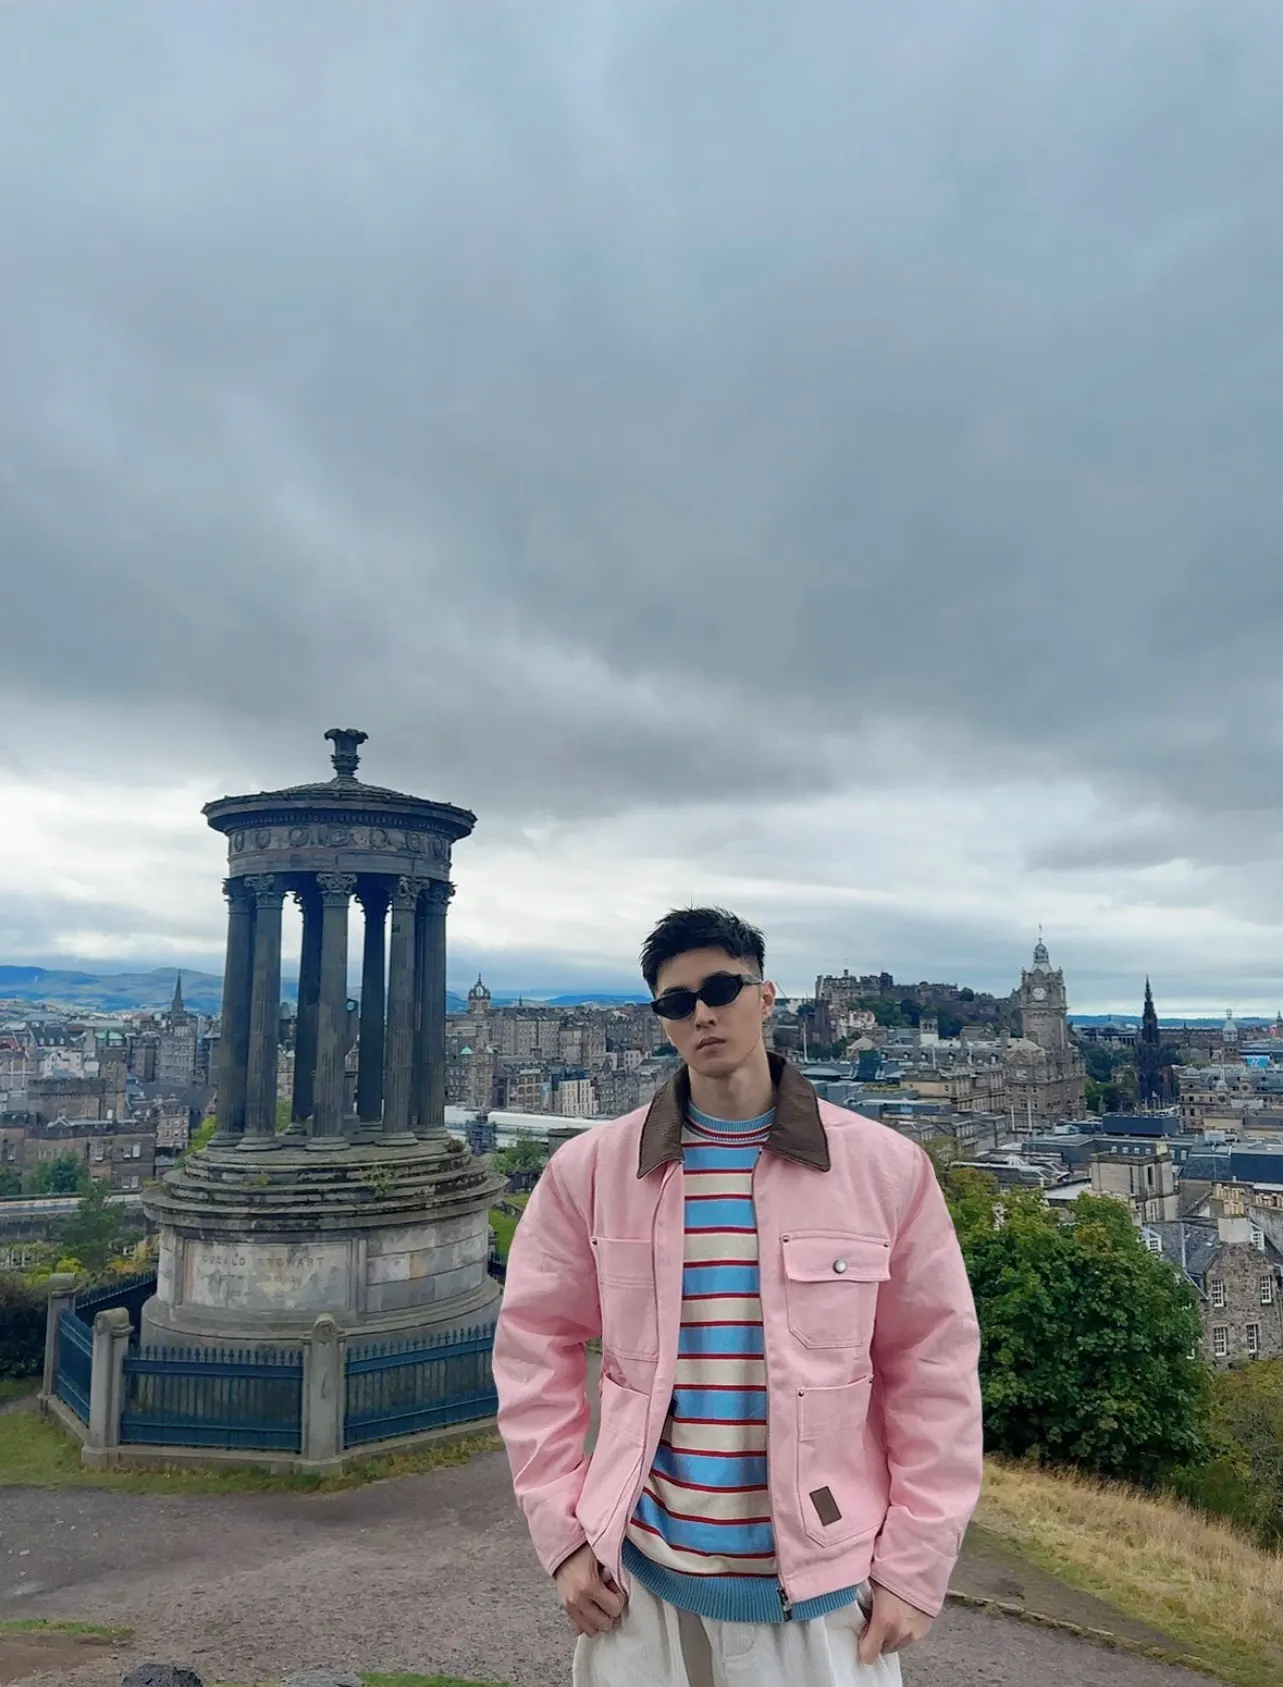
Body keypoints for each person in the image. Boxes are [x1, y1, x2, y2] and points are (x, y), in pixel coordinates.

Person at [493, 907, 983, 1687]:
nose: (702, 1012)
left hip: (821, 1603)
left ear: (766, 995)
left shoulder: (885, 1169)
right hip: (639, 1591)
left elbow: (934, 1369)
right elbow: (532, 1348)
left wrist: (914, 1565)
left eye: (721, 988)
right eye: (676, 1000)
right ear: (661, 1019)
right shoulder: (590, 1170)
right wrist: (563, 1534)